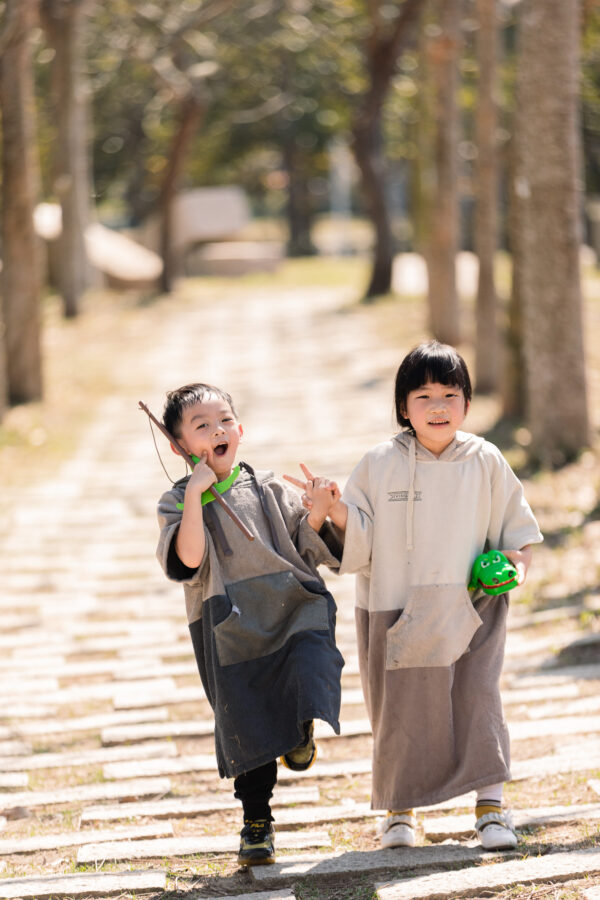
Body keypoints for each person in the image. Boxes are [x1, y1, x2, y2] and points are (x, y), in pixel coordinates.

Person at [287, 341, 543, 852]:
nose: (439, 406)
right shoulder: (380, 463)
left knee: (478, 699)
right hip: (394, 605)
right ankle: (400, 812)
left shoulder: (487, 459)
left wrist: (512, 566)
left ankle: (491, 807)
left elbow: (518, 533)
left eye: (451, 393)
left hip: (470, 603)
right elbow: (355, 541)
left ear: (467, 403)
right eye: (424, 395)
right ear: (404, 407)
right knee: (399, 710)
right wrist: (332, 509)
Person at [155, 383, 344, 867]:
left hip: (289, 607)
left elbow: (307, 544)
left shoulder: (269, 490)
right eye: (201, 426)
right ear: (180, 447)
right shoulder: (175, 503)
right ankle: (256, 820)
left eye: (224, 420)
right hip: (229, 624)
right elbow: (190, 557)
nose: (217, 430)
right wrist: (196, 495)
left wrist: (320, 508)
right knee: (248, 716)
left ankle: (300, 730)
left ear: (240, 428)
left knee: (310, 663)